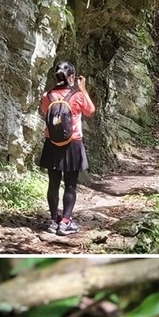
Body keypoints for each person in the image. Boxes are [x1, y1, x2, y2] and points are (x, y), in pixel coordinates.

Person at [39, 61, 96, 236]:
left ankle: (53, 221)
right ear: (71, 77)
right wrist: (83, 88)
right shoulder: (78, 96)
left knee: (53, 184)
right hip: (73, 144)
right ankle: (65, 222)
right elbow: (90, 111)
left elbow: (44, 112)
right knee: (70, 184)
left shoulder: (47, 96)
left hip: (51, 144)